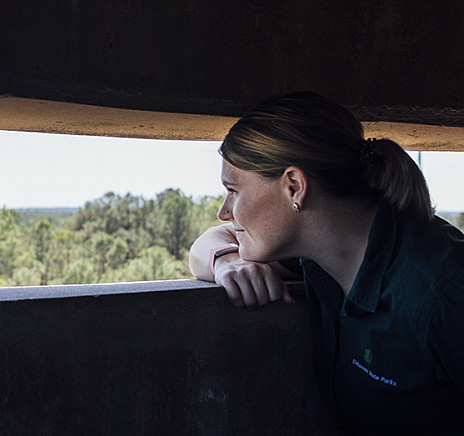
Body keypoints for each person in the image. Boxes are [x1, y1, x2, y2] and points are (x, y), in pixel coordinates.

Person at [188, 92, 464, 435]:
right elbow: (206, 245)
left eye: (233, 190)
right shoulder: (320, 256)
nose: (224, 210)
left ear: (294, 186)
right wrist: (226, 261)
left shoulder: (445, 293)